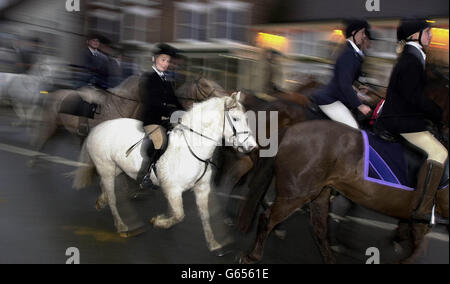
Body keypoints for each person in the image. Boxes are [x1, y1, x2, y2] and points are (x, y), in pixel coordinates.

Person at [375, 19, 448, 217]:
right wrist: (436, 112)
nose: (431, 36)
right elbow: (413, 97)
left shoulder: (414, 57)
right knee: (439, 153)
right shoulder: (411, 60)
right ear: (415, 35)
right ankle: (423, 207)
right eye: (428, 32)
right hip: (401, 121)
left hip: (403, 117)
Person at [138, 43, 184, 189]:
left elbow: (174, 99)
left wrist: (184, 112)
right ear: (154, 59)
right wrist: (169, 112)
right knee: (160, 141)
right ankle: (146, 174)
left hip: (166, 118)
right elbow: (152, 102)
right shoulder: (149, 78)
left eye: (167, 61)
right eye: (163, 60)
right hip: (152, 119)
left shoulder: (166, 80)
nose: (165, 64)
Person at [313, 19, 374, 129]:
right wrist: (360, 106)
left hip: (337, 97)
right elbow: (344, 84)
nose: (364, 36)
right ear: (353, 33)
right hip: (330, 100)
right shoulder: (348, 54)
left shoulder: (353, 53)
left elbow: (347, 79)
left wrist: (358, 88)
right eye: (362, 33)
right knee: (354, 129)